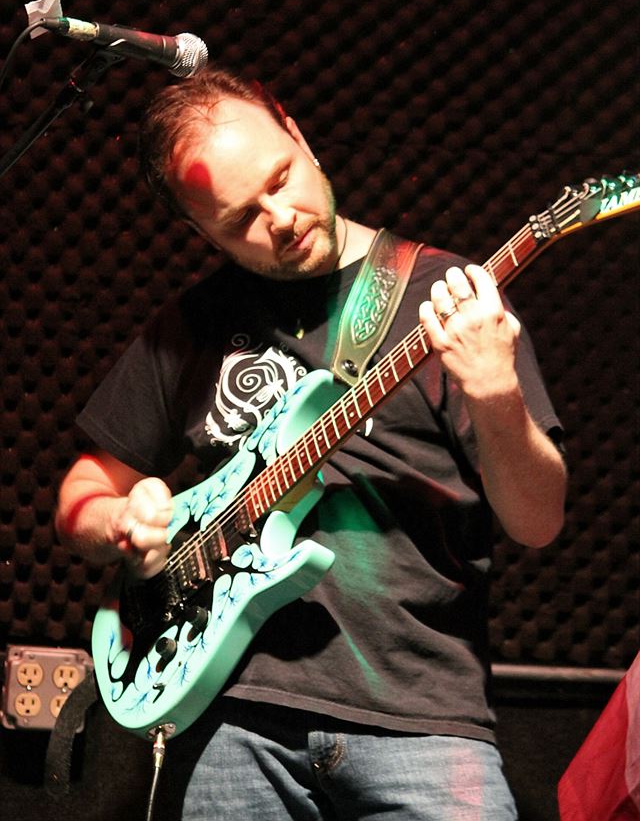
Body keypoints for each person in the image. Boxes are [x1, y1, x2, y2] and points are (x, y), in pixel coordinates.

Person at [56, 69, 567, 820]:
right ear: (201, 232)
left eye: (281, 178)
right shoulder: (192, 325)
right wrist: (120, 520)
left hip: (424, 721)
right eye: (241, 217)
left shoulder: (449, 294)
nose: (281, 217)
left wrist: (494, 392)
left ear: (297, 135)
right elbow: (81, 495)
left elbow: (538, 521)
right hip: (229, 721)